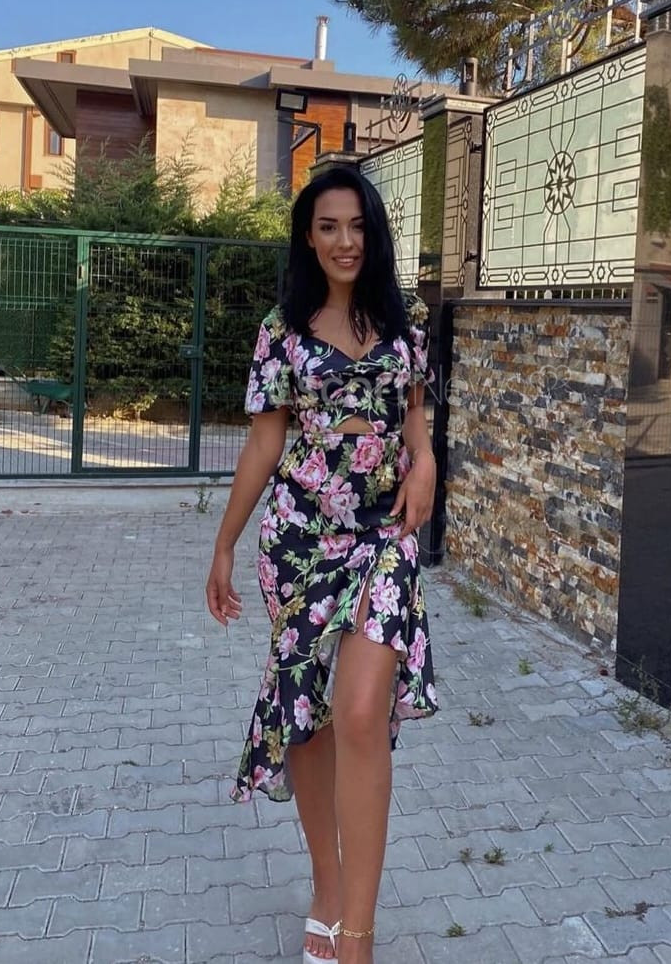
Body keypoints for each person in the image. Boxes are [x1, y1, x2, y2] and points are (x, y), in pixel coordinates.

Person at [205, 166, 439, 964]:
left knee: (361, 710)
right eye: (329, 226)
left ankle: (358, 940)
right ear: (308, 236)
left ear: (375, 232)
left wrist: (425, 461)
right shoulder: (283, 330)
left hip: (383, 535)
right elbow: (265, 442)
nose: (346, 241)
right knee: (307, 719)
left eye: (358, 225)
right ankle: (327, 887)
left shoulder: (407, 321)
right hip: (300, 539)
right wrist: (224, 542)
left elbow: (416, 416)